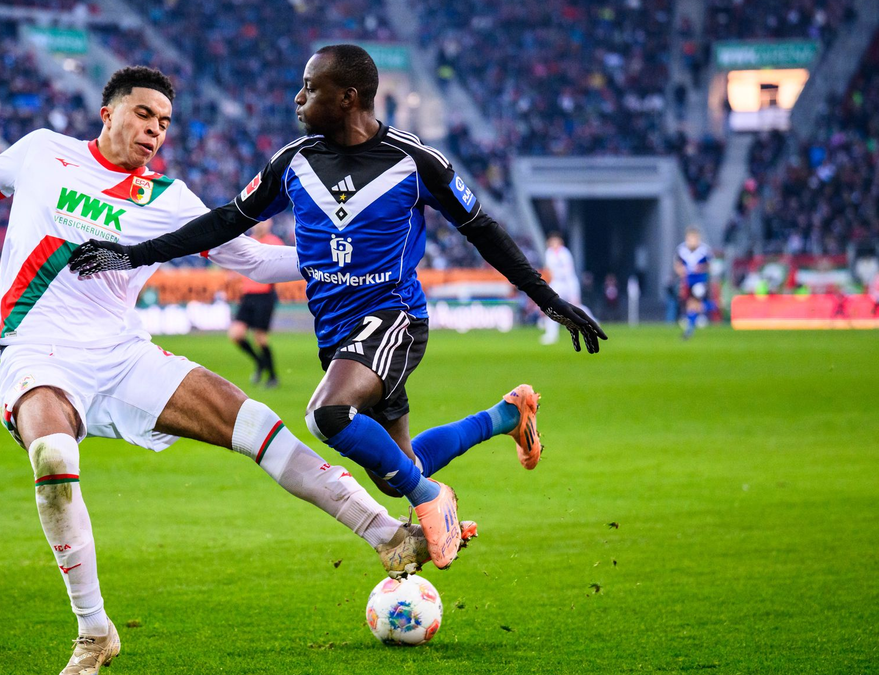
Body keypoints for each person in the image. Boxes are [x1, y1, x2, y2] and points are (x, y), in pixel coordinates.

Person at [0, 66, 466, 675]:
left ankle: (389, 534)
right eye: (143, 114)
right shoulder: (43, 154)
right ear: (109, 113)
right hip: (38, 353)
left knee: (258, 424)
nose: (156, 129)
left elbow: (252, 260)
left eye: (165, 120)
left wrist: (358, 255)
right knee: (52, 453)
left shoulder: (171, 201)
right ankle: (95, 629)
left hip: (124, 355)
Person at [68, 46, 607, 572]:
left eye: (310, 87)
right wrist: (132, 254)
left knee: (328, 416)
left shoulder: (414, 162)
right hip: (336, 333)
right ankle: (508, 415)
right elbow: (225, 220)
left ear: (348, 97)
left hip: (394, 318)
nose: (298, 97)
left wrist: (549, 300)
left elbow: (483, 231)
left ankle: (432, 499)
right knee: (399, 466)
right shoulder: (293, 162)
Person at [228, 219, 283, 387]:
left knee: (260, 338)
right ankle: (260, 362)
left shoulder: (274, 243)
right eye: (258, 221)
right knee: (236, 334)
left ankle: (273, 376)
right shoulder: (248, 241)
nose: (260, 225)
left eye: (263, 221)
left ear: (270, 224)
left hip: (265, 295)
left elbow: (281, 267)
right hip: (248, 295)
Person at [541, 232, 582, 345]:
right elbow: (549, 270)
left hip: (568, 282)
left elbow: (568, 272)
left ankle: (591, 324)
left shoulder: (565, 253)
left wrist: (574, 292)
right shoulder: (549, 253)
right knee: (550, 306)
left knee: (576, 307)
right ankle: (551, 334)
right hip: (557, 283)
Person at [675, 227, 712, 339]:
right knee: (691, 304)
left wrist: (700, 268)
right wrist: (681, 272)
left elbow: (709, 266)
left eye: (693, 238)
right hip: (687, 281)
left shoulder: (704, 250)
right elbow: (677, 265)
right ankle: (712, 308)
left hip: (700, 280)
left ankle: (690, 328)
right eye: (689, 238)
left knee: (693, 303)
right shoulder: (681, 250)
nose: (691, 241)